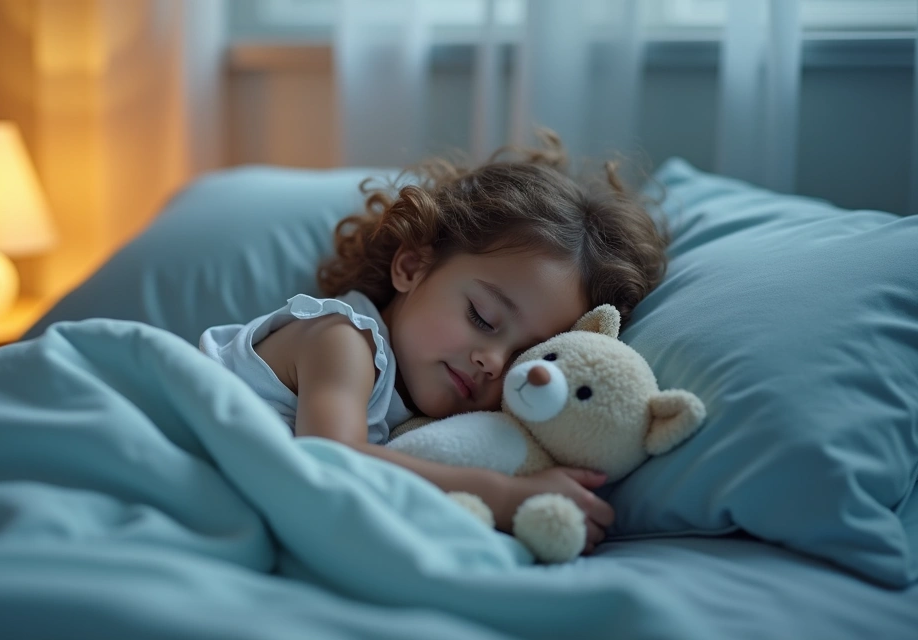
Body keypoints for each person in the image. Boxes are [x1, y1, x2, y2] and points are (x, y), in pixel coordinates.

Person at [200, 132, 668, 554]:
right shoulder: (342, 340)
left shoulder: (424, 415)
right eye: (482, 318)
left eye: (520, 357)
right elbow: (329, 461)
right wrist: (501, 495)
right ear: (411, 267)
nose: (491, 361)